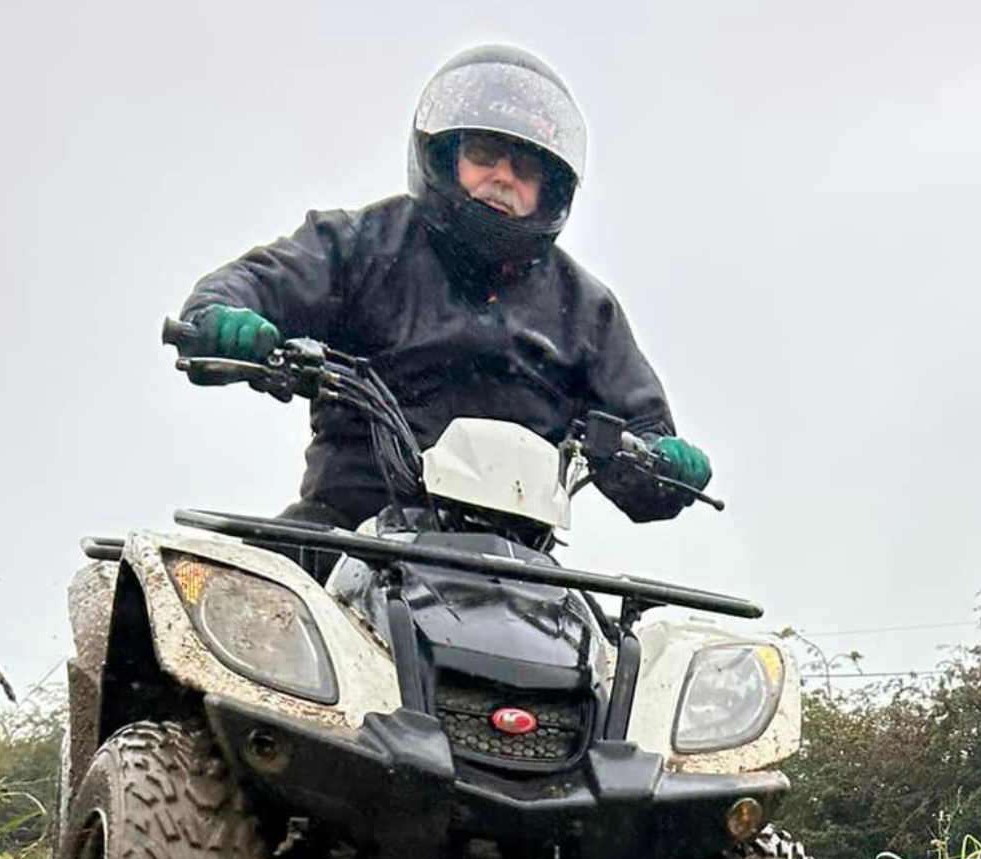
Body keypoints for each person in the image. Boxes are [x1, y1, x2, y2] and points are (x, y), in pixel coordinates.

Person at [178, 44, 711, 537]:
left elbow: (644, 437)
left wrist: (664, 460)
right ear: (444, 155)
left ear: (549, 189)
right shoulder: (359, 244)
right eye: (484, 154)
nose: (503, 178)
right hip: (346, 537)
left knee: (652, 642)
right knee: (195, 595)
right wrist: (223, 317)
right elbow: (254, 284)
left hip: (521, 575)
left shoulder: (586, 311)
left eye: (524, 168)